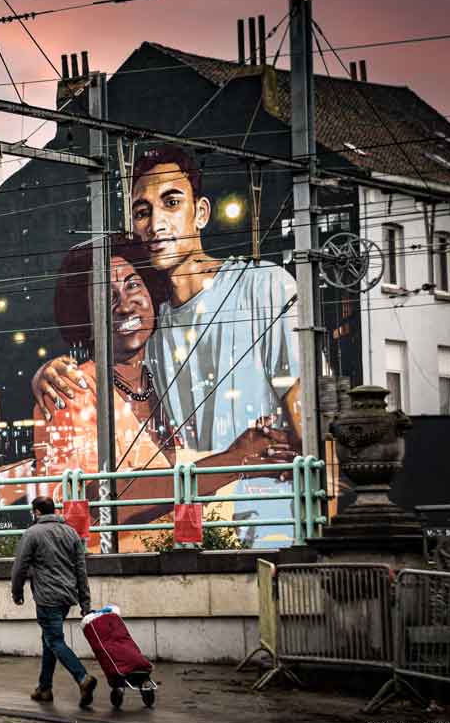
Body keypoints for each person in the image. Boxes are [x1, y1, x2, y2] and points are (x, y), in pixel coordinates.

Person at [33, 145, 303, 546]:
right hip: (192, 542)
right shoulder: (148, 329)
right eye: (143, 211)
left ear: (202, 212)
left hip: (277, 533)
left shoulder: (265, 286)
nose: (157, 223)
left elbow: (309, 426)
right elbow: (78, 503)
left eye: (171, 202)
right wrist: (49, 371)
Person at [11, 495, 97, 707]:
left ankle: (82, 678)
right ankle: (44, 688)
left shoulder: (32, 533)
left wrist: (17, 592)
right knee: (49, 640)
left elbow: (20, 566)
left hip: (47, 597)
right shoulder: (71, 533)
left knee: (55, 640)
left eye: (33, 512)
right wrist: (85, 603)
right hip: (67, 597)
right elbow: (81, 570)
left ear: (37, 512)